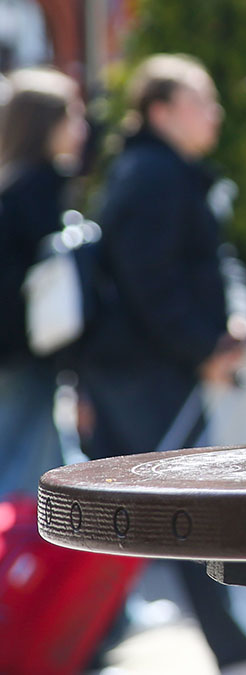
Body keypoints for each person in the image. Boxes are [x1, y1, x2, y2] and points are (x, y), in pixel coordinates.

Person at [78, 53, 246, 671]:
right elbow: (151, 283)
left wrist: (233, 323)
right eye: (201, 100)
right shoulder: (152, 174)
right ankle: (225, 640)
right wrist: (205, 348)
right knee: (175, 509)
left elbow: (212, 262)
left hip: (156, 368)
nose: (214, 112)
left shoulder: (170, 171)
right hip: (144, 372)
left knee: (151, 511)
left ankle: (91, 635)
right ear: (161, 110)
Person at [0, 67, 88, 497]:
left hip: (20, 352)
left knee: (48, 463)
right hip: (25, 353)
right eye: (71, 115)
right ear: (43, 123)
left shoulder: (14, 186)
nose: (81, 128)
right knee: (18, 469)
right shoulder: (38, 190)